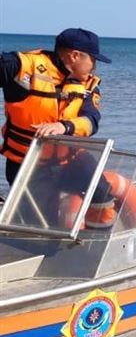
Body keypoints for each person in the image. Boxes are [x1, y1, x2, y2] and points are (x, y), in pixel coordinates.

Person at [0, 28, 117, 227]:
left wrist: (65, 127)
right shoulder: (21, 67)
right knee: (41, 228)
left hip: (71, 160)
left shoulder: (89, 86)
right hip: (27, 165)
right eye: (93, 60)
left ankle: (97, 240)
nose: (94, 66)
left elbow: (91, 121)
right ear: (75, 56)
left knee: (103, 194)